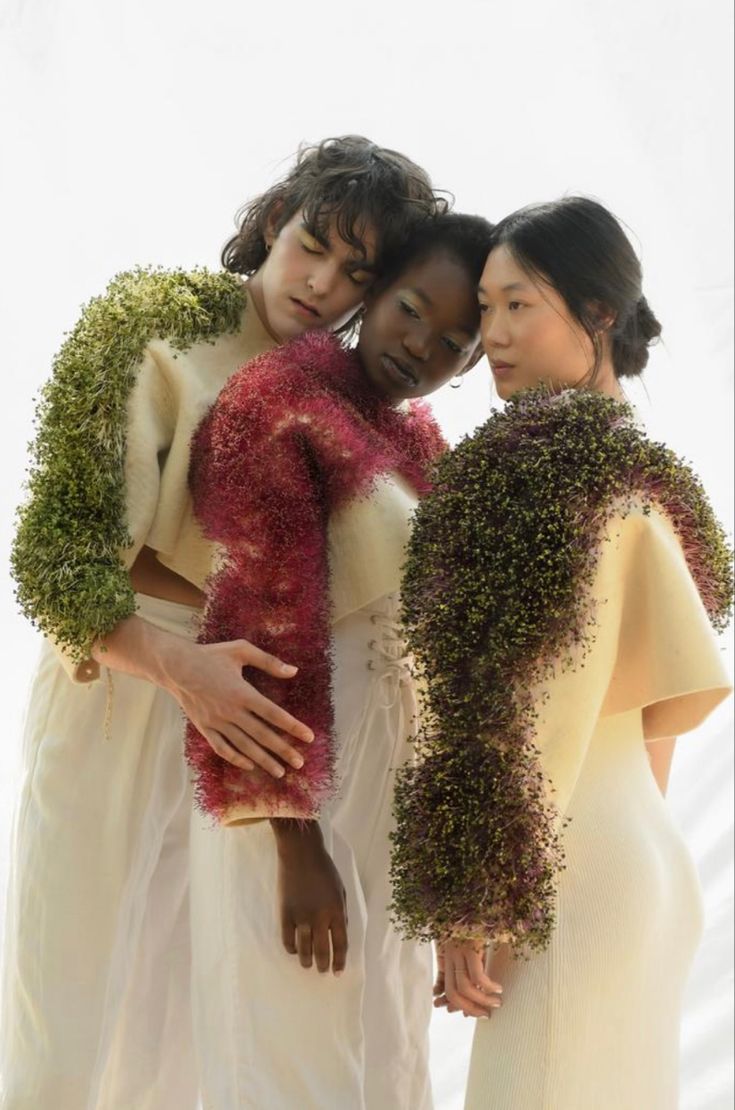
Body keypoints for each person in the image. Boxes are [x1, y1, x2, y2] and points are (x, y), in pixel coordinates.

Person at [2, 135, 445, 1110]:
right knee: (73, 982)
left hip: (247, 722)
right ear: (272, 219)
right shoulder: (151, 320)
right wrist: (175, 667)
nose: (320, 283)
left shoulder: (342, 390)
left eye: (355, 272)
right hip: (120, 686)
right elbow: (56, 555)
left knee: (195, 1019)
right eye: (310, 244)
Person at [389, 197, 734, 1109]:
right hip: (646, 879)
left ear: (598, 315)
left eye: (517, 306)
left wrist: (472, 896)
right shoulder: (649, 476)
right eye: (487, 309)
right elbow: (653, 719)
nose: (488, 335)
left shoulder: (522, 467)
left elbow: (504, 701)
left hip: (562, 891)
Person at [185, 212, 494, 1109]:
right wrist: (294, 837)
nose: (420, 345)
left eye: (453, 340)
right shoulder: (279, 399)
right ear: (375, 291)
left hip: (387, 789)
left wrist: (447, 879)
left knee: (386, 1051)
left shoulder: (418, 440)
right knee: (293, 1053)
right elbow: (252, 633)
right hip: (299, 785)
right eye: (408, 309)